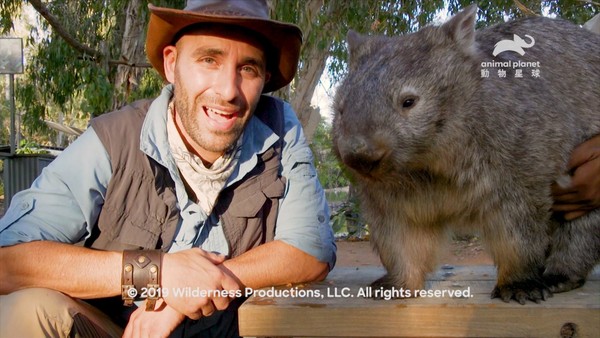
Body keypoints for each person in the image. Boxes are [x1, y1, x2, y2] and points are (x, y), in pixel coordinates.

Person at [0, 1, 336, 337]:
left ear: (264, 78)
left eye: (248, 68)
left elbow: (311, 251)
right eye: (209, 60)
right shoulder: (114, 140)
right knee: (25, 312)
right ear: (172, 64)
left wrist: (190, 289)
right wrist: (158, 273)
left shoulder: (279, 130)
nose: (228, 91)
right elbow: (7, 263)